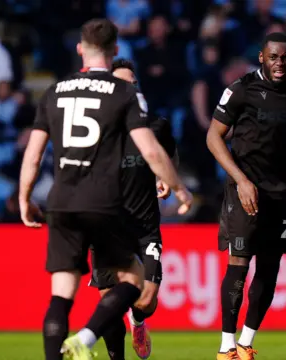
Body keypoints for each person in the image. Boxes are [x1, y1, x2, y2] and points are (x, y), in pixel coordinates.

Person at [18, 19, 192, 360]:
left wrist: (24, 199)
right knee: (132, 281)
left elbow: (34, 153)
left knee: (60, 296)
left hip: (61, 202)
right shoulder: (121, 94)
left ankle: (64, 350)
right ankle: (85, 338)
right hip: (102, 202)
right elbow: (153, 150)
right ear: (114, 51)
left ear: (80, 49)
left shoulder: (54, 91)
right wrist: (179, 189)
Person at [206, 32, 286, 360]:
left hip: (280, 192)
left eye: (285, 57)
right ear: (261, 57)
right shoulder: (241, 90)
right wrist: (241, 180)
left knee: (270, 267)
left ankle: (246, 344)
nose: (280, 64)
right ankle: (225, 347)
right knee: (239, 261)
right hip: (244, 188)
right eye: (273, 57)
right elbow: (213, 137)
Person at [88, 58, 178, 360]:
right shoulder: (94, 129)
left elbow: (169, 156)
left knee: (147, 301)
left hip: (144, 226)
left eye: (132, 83)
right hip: (106, 226)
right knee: (108, 301)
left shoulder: (156, 126)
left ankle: (139, 321)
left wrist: (167, 178)